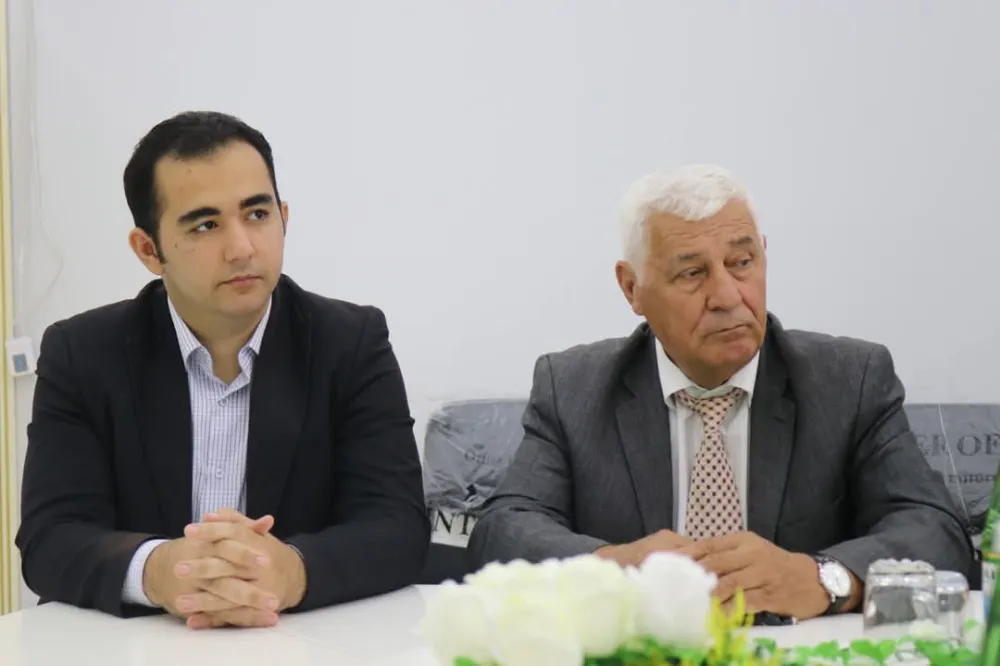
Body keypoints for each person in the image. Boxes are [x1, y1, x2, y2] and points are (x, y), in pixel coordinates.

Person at [467, 164, 973, 620]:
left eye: (742, 262)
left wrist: (824, 578)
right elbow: (501, 533)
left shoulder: (849, 380)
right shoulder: (573, 387)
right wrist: (609, 569)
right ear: (632, 288)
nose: (728, 296)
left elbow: (937, 532)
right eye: (693, 273)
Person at [16, 111, 430, 628]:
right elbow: (50, 537)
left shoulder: (350, 343)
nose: (242, 248)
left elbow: (398, 525)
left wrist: (291, 572)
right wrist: (158, 571)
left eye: (257, 214)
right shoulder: (83, 353)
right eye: (206, 225)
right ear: (149, 250)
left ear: (283, 217)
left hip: (300, 644)